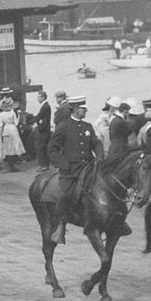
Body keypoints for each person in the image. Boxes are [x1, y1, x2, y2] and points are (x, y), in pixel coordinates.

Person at [46, 96, 105, 240]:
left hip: (89, 166)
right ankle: (59, 224)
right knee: (65, 195)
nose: (86, 111)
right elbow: (52, 149)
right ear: (76, 109)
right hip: (70, 170)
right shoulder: (64, 127)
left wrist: (99, 155)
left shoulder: (88, 127)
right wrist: (64, 164)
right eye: (84, 108)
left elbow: (96, 143)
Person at [33, 91, 53, 169]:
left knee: (41, 148)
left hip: (44, 130)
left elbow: (39, 117)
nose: (38, 99)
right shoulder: (45, 106)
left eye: (39, 97)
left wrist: (31, 121)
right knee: (42, 147)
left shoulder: (45, 106)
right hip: (45, 129)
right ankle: (43, 164)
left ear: (43, 97)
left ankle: (44, 165)